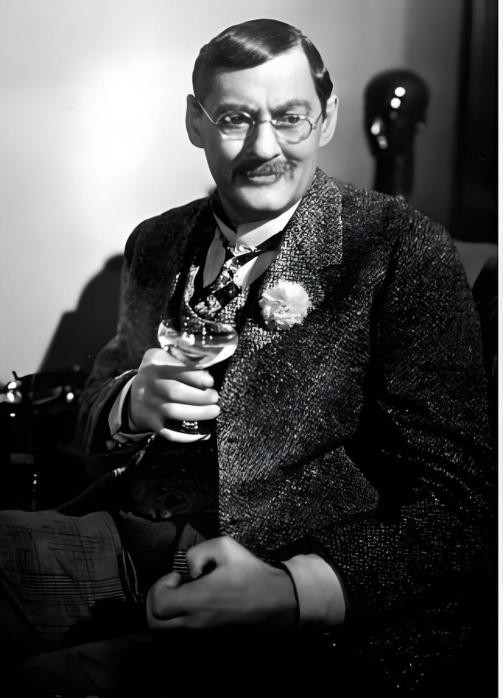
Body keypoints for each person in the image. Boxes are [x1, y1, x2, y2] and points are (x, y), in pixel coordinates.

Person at [0, 18, 494, 697]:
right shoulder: (157, 241)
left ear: (326, 117)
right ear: (194, 122)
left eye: (289, 117)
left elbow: (460, 500)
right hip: (122, 538)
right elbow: (95, 399)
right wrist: (128, 402)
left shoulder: (399, 248)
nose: (265, 147)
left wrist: (292, 589)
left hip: (284, 587)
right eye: (235, 118)